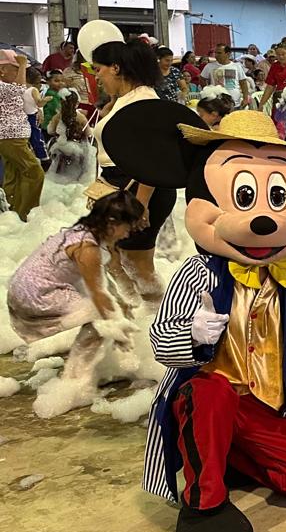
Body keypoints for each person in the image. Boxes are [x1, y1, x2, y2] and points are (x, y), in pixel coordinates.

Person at [102, 101, 286, 532]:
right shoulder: (198, 273)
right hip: (212, 398)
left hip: (267, 406)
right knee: (208, 393)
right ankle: (203, 503)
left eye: (279, 197)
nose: (264, 220)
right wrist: (192, 336)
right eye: (244, 196)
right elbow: (162, 343)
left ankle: (225, 453)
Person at [8, 191, 145, 415]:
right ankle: (75, 381)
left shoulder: (82, 232)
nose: (129, 232)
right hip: (35, 296)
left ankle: (89, 369)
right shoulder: (88, 248)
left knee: (105, 313)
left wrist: (121, 306)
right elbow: (98, 294)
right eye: (127, 226)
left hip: (23, 288)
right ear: (112, 223)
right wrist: (120, 330)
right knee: (101, 318)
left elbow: (99, 281)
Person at [85, 22, 172, 300]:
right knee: (114, 260)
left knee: (139, 265)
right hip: (119, 184)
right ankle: (137, 312)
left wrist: (141, 204)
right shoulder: (126, 99)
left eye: (98, 69)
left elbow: (154, 155)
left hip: (138, 187)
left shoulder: (141, 100)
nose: (96, 76)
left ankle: (161, 315)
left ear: (115, 68)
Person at [0, 50, 45, 220]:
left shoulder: (7, 87)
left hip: (13, 137)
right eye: (17, 69)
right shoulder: (4, 87)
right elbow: (19, 89)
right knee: (34, 172)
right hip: (11, 138)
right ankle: (26, 213)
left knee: (14, 175)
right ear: (3, 70)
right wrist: (23, 63)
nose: (21, 75)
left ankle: (12, 213)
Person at [45, 93, 93, 184]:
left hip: (59, 146)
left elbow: (50, 131)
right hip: (77, 149)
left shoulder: (57, 117)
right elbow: (88, 134)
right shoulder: (81, 117)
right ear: (77, 103)